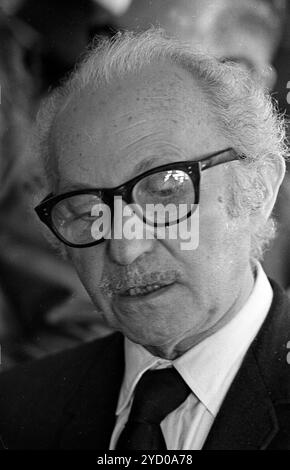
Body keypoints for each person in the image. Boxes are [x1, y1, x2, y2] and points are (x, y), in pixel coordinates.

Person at [0, 29, 289, 450]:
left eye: (165, 190)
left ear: (259, 188)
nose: (124, 247)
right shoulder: (16, 413)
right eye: (85, 210)